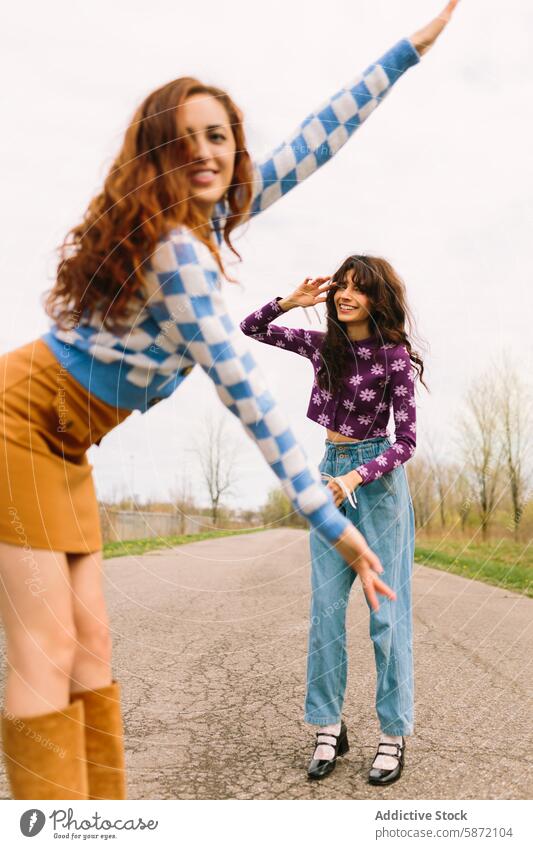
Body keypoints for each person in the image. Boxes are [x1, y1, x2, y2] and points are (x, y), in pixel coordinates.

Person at [0, 2, 459, 800]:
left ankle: (95, 820)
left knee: (91, 645)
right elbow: (249, 396)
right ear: (156, 155)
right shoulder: (177, 254)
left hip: (65, 443)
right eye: (185, 139)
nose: (206, 151)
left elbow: (315, 140)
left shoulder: (211, 217)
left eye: (219, 135)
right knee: (44, 651)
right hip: (20, 424)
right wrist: (333, 521)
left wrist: (405, 53)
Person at [239, 255, 426, 785]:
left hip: (379, 490)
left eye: (357, 289)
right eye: (341, 286)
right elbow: (251, 328)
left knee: (386, 618)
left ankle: (392, 736)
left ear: (376, 298)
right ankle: (328, 728)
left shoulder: (393, 357)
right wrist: (289, 302)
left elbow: (407, 442)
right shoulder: (324, 347)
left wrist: (357, 477)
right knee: (325, 612)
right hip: (329, 477)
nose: (345, 295)